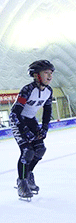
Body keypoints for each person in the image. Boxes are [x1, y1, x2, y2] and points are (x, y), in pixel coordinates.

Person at [9, 60, 54, 199]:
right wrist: (24, 131)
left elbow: (47, 110)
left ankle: (28, 176)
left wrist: (45, 127)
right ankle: (22, 183)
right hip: (18, 120)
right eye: (46, 73)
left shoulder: (48, 91)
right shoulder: (28, 90)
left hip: (30, 119)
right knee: (27, 151)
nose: (50, 76)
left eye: (51, 73)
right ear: (36, 75)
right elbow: (16, 112)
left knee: (40, 150)